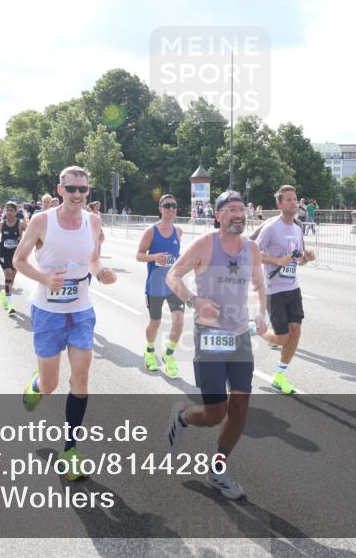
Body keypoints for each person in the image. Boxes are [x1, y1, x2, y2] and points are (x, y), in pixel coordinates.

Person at [14, 166, 116, 480]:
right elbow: (19, 260)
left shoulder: (94, 221)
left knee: (82, 379)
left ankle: (69, 450)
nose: (77, 195)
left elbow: (93, 258)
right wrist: (44, 278)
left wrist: (101, 272)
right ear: (60, 189)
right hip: (47, 312)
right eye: (71, 189)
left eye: (83, 190)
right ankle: (37, 385)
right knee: (50, 384)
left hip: (81, 310)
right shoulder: (42, 220)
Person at [164, 190, 267, 500]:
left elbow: (260, 284)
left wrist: (263, 312)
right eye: (231, 209)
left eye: (242, 209)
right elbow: (173, 276)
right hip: (209, 337)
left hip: (239, 338)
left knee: (239, 409)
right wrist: (195, 301)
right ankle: (183, 418)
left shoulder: (252, 248)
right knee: (214, 414)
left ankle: (217, 470)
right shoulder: (205, 245)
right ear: (219, 215)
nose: (238, 214)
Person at [253, 185, 317, 394]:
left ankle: (279, 375)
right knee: (282, 338)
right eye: (288, 199)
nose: (294, 203)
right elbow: (253, 254)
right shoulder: (271, 227)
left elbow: (298, 260)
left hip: (293, 287)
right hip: (274, 289)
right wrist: (276, 260)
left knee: (296, 331)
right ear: (279, 204)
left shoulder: (297, 228)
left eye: (295, 199)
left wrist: (307, 257)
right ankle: (258, 331)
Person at [135, 194, 184, 378]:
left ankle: (169, 355)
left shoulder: (179, 232)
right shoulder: (151, 231)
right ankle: (149, 350)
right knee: (155, 322)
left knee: (179, 321)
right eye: (167, 205)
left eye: (174, 205)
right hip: (155, 286)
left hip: (174, 285)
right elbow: (138, 255)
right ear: (160, 209)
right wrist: (154, 257)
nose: (171, 208)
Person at [0, 202, 27, 313]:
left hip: (16, 254)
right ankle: (10, 304)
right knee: (8, 276)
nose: (9, 212)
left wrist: (22, 238)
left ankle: (6, 294)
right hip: (4, 253)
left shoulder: (21, 225)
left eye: (11, 210)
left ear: (16, 211)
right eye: (7, 210)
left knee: (12, 279)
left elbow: (30, 236)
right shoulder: (0, 224)